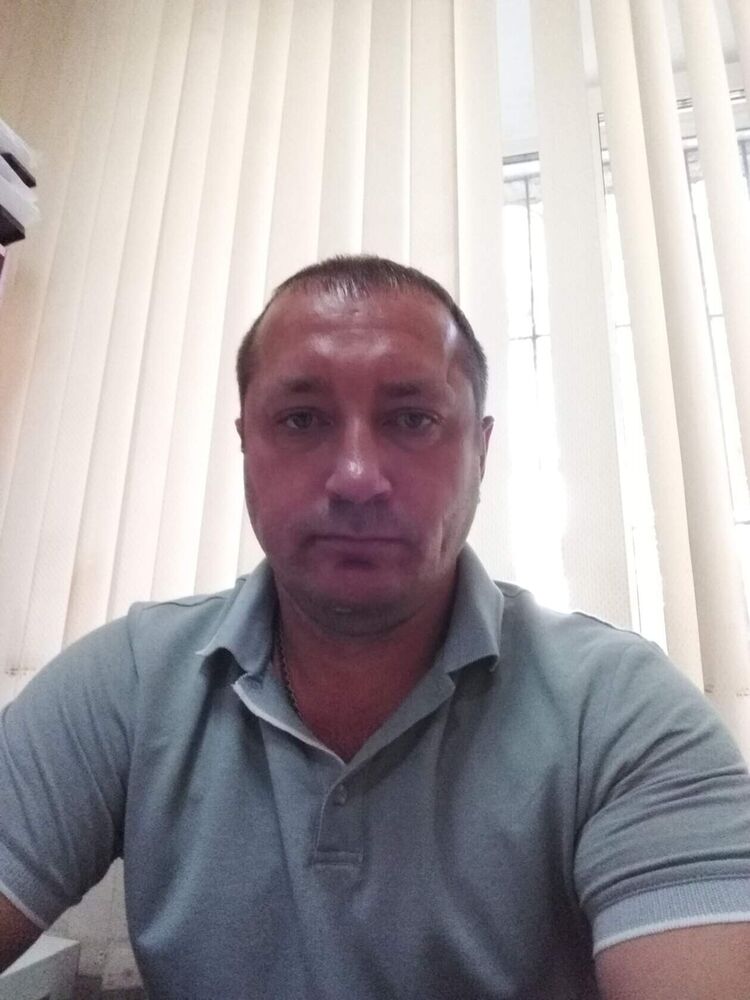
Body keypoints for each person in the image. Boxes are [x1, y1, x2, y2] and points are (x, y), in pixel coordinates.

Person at [1, 255, 750, 999]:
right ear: (246, 445)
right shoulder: (130, 684)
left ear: (480, 452)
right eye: (301, 419)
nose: (356, 477)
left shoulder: (619, 711)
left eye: (413, 419)